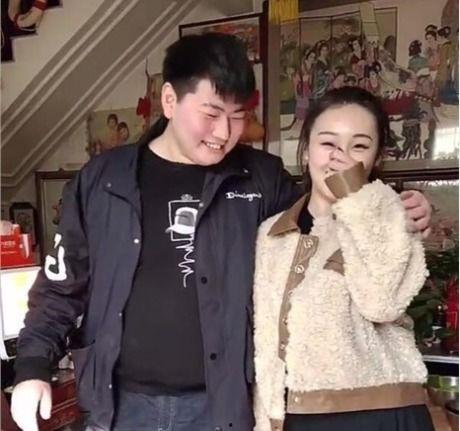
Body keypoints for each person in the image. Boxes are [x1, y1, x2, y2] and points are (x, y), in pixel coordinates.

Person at [11, 34, 432, 431]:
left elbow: (324, 223)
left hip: (221, 407)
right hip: (119, 406)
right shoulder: (103, 180)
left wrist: (396, 211)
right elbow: (60, 287)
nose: (224, 134)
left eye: (238, 116)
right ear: (170, 100)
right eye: (211, 115)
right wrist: (32, 367)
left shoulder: (260, 178)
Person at [253, 87, 435, 431]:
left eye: (359, 146)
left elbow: (382, 304)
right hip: (294, 416)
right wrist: (266, 418)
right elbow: (264, 339)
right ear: (306, 150)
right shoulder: (271, 233)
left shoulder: (392, 220)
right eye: (328, 143)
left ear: (376, 158)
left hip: (379, 413)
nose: (341, 158)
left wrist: (357, 197)